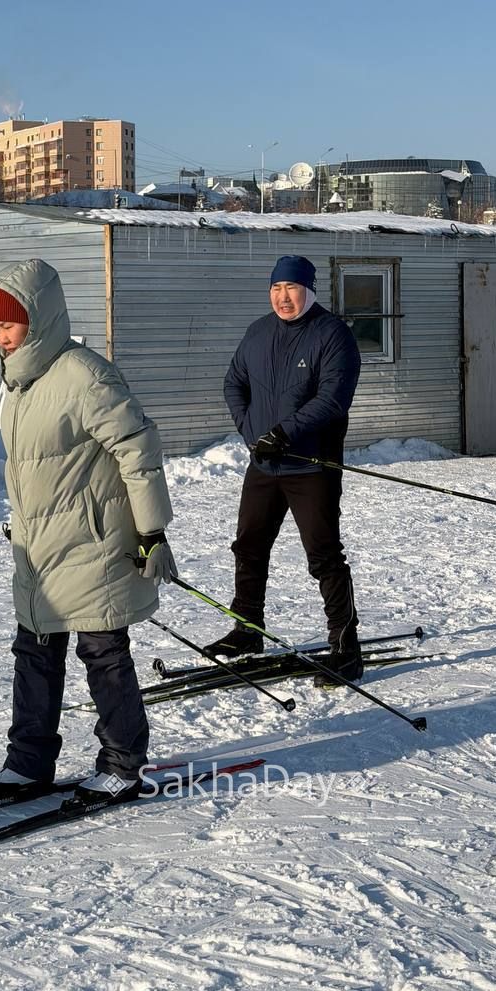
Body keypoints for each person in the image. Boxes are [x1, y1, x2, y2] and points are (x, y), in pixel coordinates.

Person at [0, 258, 178, 808]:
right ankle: (28, 763)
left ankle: (122, 764)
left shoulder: (85, 376)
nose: (0, 336)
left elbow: (138, 449)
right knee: (34, 651)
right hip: (39, 548)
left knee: (102, 652)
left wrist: (151, 531)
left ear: (38, 319)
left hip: (94, 544)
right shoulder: (21, 381)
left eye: (8, 325)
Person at [205, 255, 363, 686]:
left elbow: (333, 399)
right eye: (276, 288)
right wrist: (251, 431)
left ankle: (345, 647)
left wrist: (284, 433)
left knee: (324, 555)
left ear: (308, 290)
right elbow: (234, 383)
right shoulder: (258, 332)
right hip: (264, 462)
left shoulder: (332, 334)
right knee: (249, 547)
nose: (283, 297)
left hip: (311, 465)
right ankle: (247, 629)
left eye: (292, 288)